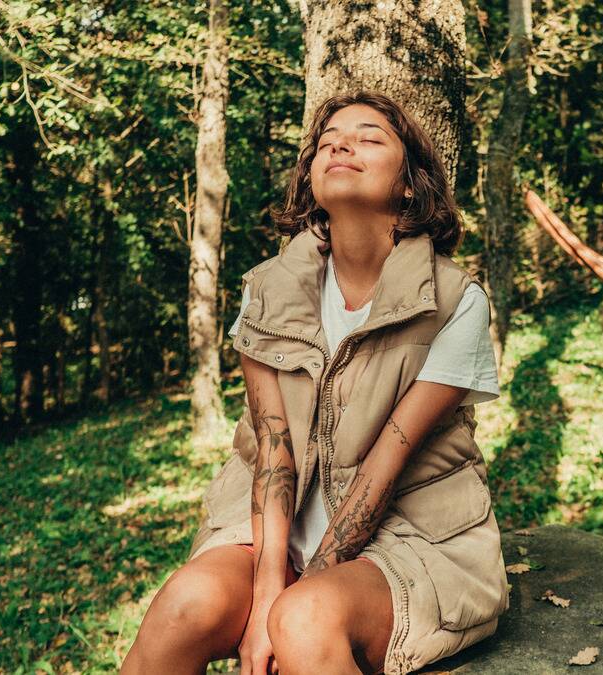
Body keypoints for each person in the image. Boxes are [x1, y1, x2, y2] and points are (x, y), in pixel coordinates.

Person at [122, 91, 510, 675]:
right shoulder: (265, 293)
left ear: (410, 184)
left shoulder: (455, 300)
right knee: (184, 604)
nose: (340, 144)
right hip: (274, 537)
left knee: (303, 621)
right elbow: (271, 455)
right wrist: (265, 593)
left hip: (411, 542)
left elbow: (384, 468)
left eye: (369, 137)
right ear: (312, 182)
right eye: (327, 140)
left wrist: (287, 608)